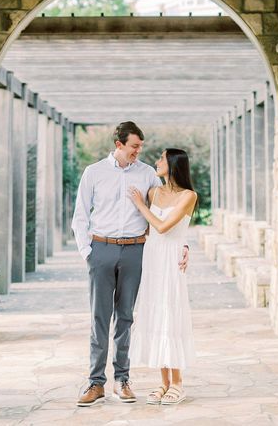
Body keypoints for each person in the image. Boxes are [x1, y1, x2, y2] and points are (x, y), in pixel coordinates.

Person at [71, 121, 189, 407]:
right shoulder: (94, 172)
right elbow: (80, 216)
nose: (139, 151)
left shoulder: (148, 174)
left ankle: (122, 380)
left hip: (136, 252)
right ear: (119, 144)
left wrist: (185, 245)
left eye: (141, 147)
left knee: (125, 318)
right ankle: (95, 383)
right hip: (101, 249)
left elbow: (170, 209)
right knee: (99, 319)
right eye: (134, 146)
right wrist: (88, 253)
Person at [128, 148, 197, 406]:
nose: (157, 162)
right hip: (153, 257)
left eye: (161, 158)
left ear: (173, 164)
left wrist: (139, 205)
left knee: (171, 315)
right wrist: (143, 203)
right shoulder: (154, 192)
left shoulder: (189, 195)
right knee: (156, 316)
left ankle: (178, 383)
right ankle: (164, 382)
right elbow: (150, 230)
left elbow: (163, 226)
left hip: (171, 260)